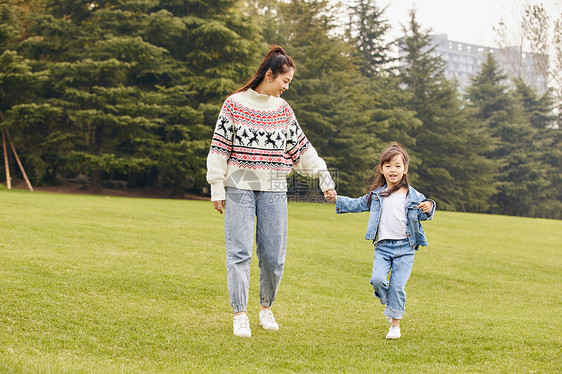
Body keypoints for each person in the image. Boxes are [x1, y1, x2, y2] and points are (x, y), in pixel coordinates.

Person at [206, 45, 337, 338]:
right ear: (270, 74)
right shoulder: (234, 105)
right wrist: (217, 186)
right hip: (238, 187)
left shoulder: (283, 111)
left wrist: (325, 179)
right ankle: (240, 314)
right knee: (239, 252)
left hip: (274, 189)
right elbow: (219, 148)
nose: (286, 88)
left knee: (274, 256)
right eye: (285, 81)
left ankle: (266, 308)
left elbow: (303, 149)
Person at [335, 142, 435, 340]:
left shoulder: (413, 196)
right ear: (382, 169)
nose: (393, 170)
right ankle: (392, 306)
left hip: (405, 248)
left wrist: (429, 206)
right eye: (388, 166)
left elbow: (426, 211)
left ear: (405, 169)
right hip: (383, 248)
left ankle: (395, 325)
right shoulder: (377, 195)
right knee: (378, 280)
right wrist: (336, 199)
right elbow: (356, 204)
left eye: (397, 166)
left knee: (397, 286)